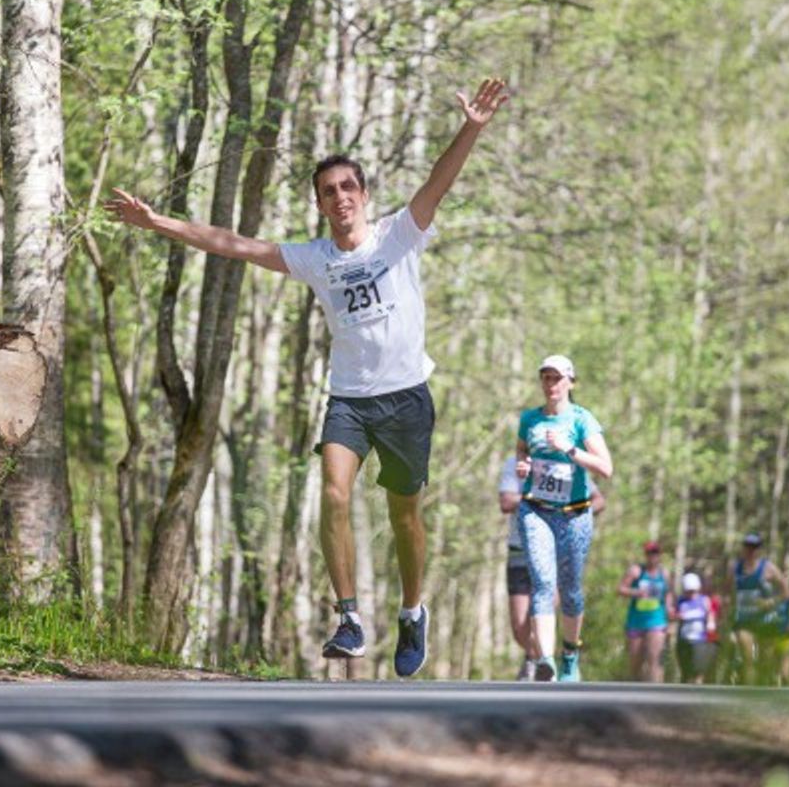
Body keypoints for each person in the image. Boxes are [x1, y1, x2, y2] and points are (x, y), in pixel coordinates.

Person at [105, 79, 509, 678]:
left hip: (405, 398)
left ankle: (412, 610)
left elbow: (438, 184)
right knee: (335, 492)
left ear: (364, 195)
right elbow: (234, 245)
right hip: (349, 398)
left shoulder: (400, 234)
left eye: (348, 186)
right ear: (320, 205)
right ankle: (349, 617)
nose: (340, 197)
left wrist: (471, 127)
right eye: (329, 191)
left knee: (405, 517)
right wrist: (157, 222)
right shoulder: (316, 258)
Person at [514, 355, 613, 682]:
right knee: (542, 582)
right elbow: (521, 451)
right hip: (536, 510)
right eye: (545, 377)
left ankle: (570, 653)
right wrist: (524, 467)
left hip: (574, 515)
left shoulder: (582, 420)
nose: (551, 384)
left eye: (557, 378)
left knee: (570, 589)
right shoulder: (530, 419)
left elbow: (606, 468)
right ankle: (545, 660)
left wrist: (570, 449)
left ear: (570, 381)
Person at [498, 453, 605, 681]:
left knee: (545, 603)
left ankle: (544, 662)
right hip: (519, 549)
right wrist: (535, 500)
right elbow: (506, 501)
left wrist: (574, 510)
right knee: (519, 625)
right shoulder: (514, 463)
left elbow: (598, 500)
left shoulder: (566, 463)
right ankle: (534, 656)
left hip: (553, 548)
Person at [724, 532, 789, 685]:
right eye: (748, 546)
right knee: (748, 658)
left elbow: (786, 592)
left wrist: (772, 602)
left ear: (759, 550)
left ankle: (763, 692)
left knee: (765, 660)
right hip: (744, 619)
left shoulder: (768, 568)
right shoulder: (735, 568)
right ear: (743, 548)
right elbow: (726, 591)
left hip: (765, 619)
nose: (751, 550)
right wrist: (727, 605)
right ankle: (749, 696)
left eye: (754, 547)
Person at [618, 540, 673, 682]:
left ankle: (657, 697)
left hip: (657, 621)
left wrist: (669, 610)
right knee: (635, 663)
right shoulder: (636, 571)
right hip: (636, 622)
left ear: (660, 555)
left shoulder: (664, 573)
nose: (652, 556)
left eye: (655, 553)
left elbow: (668, 593)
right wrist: (636, 592)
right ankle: (634, 694)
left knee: (655, 660)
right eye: (649, 553)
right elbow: (620, 589)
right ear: (645, 554)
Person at [674, 572, 716, 684]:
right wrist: (678, 616)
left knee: (698, 670)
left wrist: (711, 623)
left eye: (693, 591)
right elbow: (674, 615)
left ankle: (698, 692)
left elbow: (710, 613)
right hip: (684, 640)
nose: (691, 594)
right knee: (686, 672)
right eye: (688, 591)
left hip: (700, 640)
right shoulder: (681, 601)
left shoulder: (704, 600)